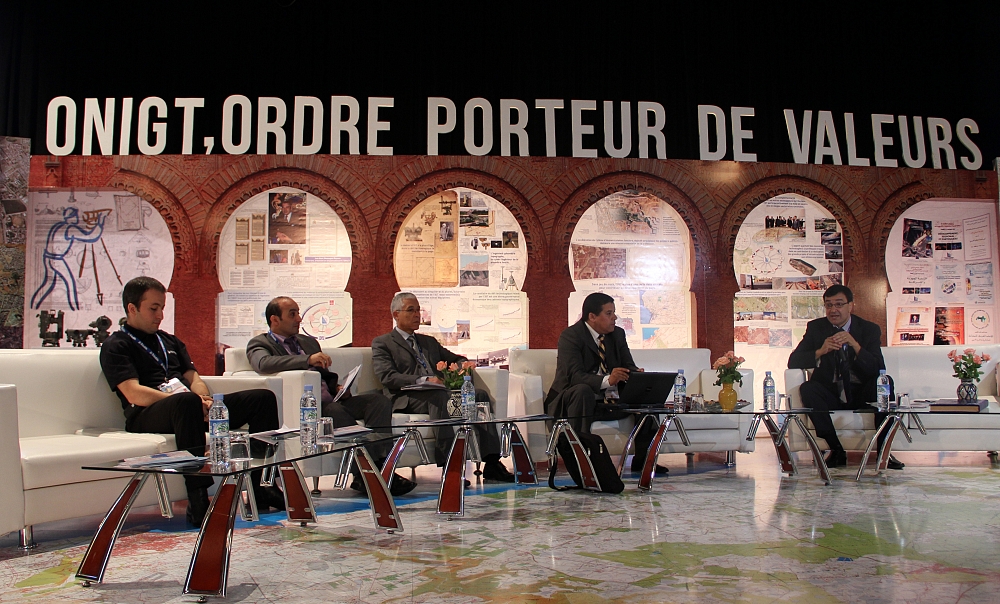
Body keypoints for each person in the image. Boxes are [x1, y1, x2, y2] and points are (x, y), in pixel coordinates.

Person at [100, 277, 286, 527]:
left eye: (162, 308)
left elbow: (193, 378)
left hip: (188, 407)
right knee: (186, 402)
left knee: (261, 399)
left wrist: (205, 400)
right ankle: (198, 497)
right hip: (147, 414)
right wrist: (188, 399)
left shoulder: (169, 341)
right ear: (132, 308)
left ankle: (262, 484)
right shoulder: (116, 345)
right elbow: (133, 393)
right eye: (153, 308)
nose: (160, 315)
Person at [246, 296, 416, 496]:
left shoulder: (308, 342)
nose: (299, 319)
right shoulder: (260, 343)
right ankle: (369, 473)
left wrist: (338, 388)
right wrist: (306, 360)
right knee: (334, 411)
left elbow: (323, 374)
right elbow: (263, 363)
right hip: (308, 407)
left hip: (331, 399)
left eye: (298, 313)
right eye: (292, 314)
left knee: (378, 402)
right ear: (275, 319)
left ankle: (381, 467)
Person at [371, 292, 515, 483]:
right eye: (411, 310)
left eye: (418, 310)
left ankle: (492, 463)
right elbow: (387, 377)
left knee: (479, 395)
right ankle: (450, 468)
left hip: (438, 392)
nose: (417, 315)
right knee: (439, 398)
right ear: (396, 314)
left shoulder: (427, 342)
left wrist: (463, 366)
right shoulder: (383, 343)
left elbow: (456, 359)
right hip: (406, 397)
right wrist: (424, 380)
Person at [544, 292, 667, 475]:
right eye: (609, 313)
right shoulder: (571, 336)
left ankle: (644, 460)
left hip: (609, 401)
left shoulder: (617, 334)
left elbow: (628, 365)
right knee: (582, 390)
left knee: (645, 393)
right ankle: (582, 459)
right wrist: (608, 380)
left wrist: (635, 375)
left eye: (614, 312)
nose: (614, 317)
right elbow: (574, 376)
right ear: (592, 316)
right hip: (575, 401)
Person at [787, 284, 902, 469]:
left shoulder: (868, 329)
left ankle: (883, 452)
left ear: (850, 306)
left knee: (884, 383)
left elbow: (878, 368)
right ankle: (836, 450)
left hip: (860, 393)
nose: (833, 310)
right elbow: (793, 361)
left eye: (839, 304)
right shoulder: (816, 328)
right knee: (808, 388)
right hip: (831, 393)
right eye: (829, 305)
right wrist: (820, 351)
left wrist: (855, 346)